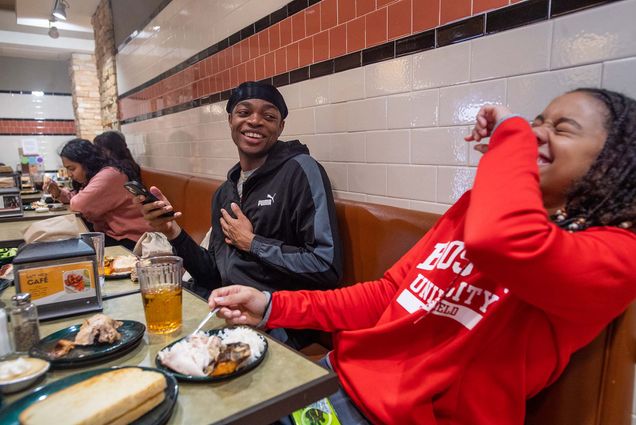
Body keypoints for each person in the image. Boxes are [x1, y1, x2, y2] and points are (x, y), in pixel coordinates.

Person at [208, 88, 636, 424]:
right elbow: (391, 294)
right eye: (535, 122)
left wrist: (512, 137)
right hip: (338, 383)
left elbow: (501, 240)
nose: (536, 132)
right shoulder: (475, 206)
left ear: (614, 160)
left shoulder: (617, 255)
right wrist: (273, 306)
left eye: (561, 129)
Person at [137, 81, 343, 348]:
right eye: (244, 113)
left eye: (268, 116)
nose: (255, 121)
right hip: (226, 311)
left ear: (280, 128)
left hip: (279, 325)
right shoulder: (225, 192)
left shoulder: (301, 171)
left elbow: (326, 266)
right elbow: (213, 275)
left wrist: (253, 243)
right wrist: (171, 231)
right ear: (231, 120)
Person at [45, 139, 152, 251]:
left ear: (87, 162)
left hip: (134, 240)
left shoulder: (109, 175)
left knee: (68, 249)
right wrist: (58, 192)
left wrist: (71, 196)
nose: (69, 174)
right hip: (115, 235)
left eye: (72, 169)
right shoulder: (97, 174)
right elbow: (77, 197)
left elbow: (79, 204)